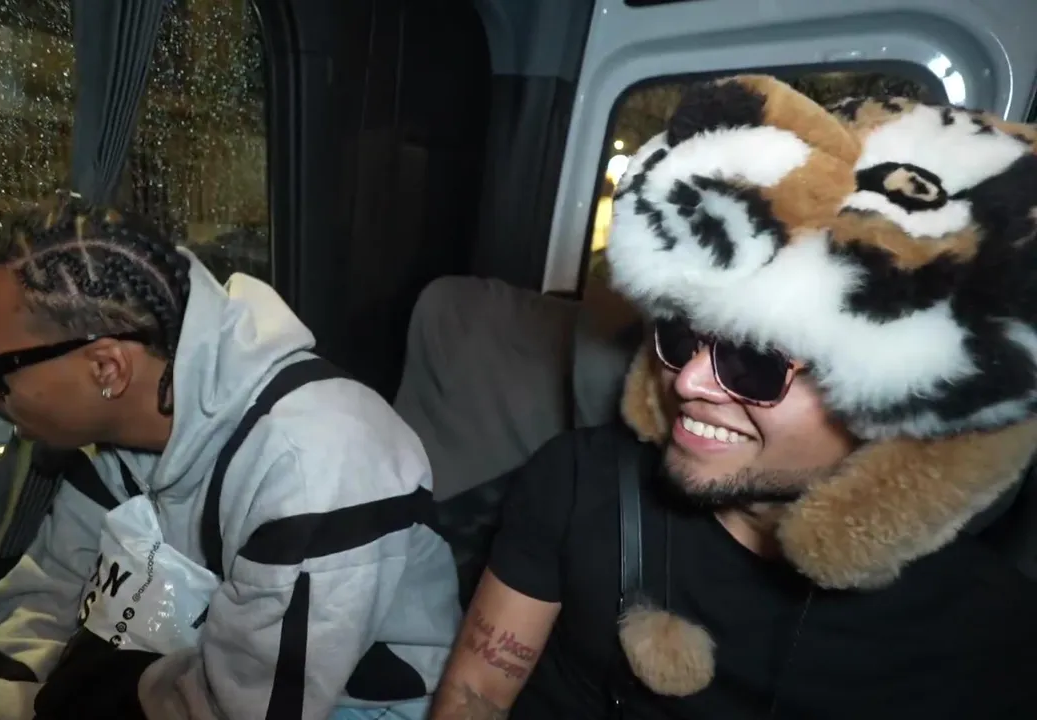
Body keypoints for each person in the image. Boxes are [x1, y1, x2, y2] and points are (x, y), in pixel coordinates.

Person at [430, 75, 1037, 719]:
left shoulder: (991, 639)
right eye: (680, 336)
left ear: (908, 408)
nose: (687, 382)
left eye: (757, 361)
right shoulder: (580, 482)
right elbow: (477, 694)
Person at [0, 195, 460, 720]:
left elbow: (239, 711)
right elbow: (50, 593)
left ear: (107, 367)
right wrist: (8, 687)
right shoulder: (111, 439)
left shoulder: (316, 466)